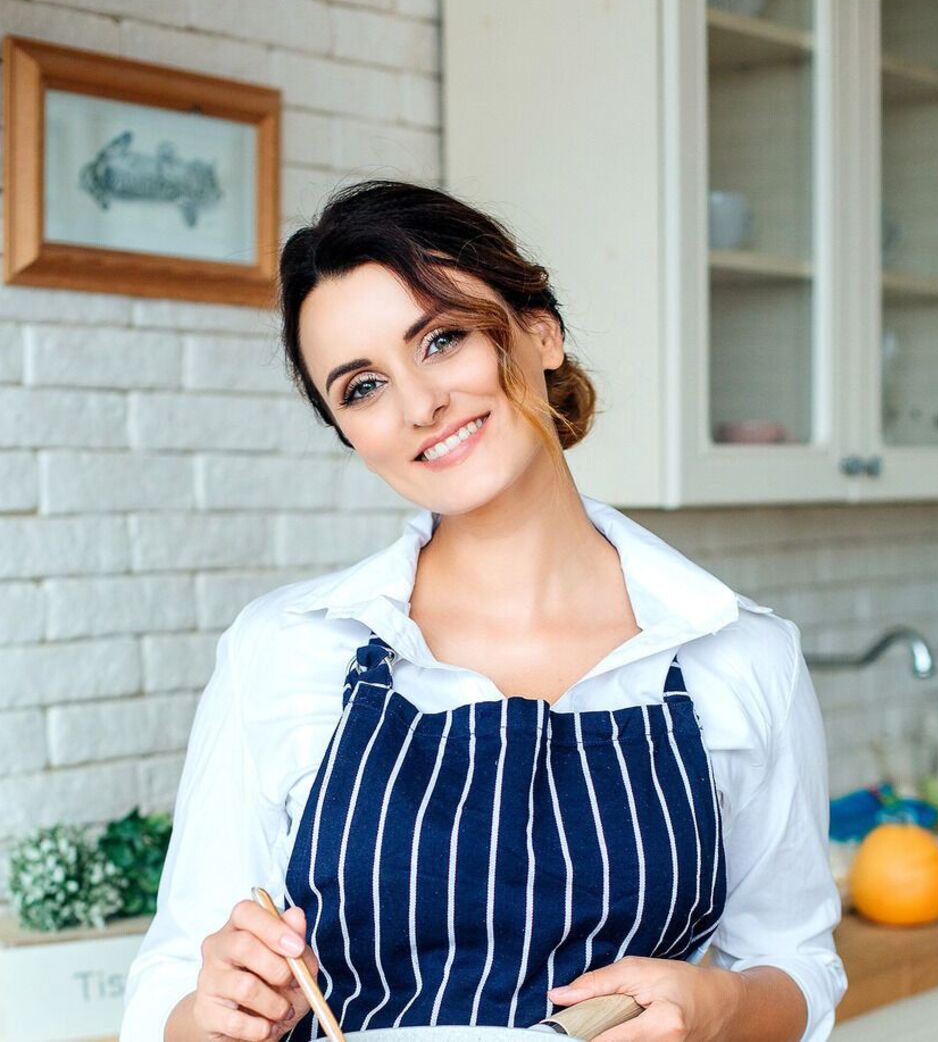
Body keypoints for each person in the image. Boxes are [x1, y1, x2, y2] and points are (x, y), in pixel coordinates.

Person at [120, 180, 845, 1042]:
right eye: (361, 388)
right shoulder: (283, 652)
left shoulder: (737, 653)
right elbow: (171, 983)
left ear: (540, 330)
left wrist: (724, 1008)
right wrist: (218, 1013)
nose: (419, 405)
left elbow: (799, 962)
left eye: (442, 338)